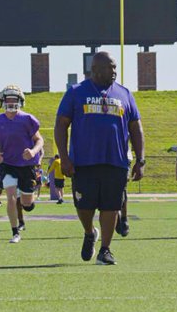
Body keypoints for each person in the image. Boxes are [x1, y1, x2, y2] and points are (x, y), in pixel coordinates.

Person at [55, 51, 144, 265]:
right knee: (84, 206)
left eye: (115, 67)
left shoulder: (124, 93)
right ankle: (89, 232)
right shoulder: (76, 92)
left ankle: (105, 249)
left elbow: (136, 127)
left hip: (116, 161)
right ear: (94, 69)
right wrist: (65, 158)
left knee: (111, 206)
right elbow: (61, 125)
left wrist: (140, 159)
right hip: (84, 161)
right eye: (109, 67)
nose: (114, 71)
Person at [0, 85, 44, 244]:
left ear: (20, 101)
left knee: (27, 203)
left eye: (15, 99)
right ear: (2, 101)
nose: (11, 102)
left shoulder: (28, 119)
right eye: (8, 99)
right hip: (8, 164)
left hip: (27, 165)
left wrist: (33, 152)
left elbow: (39, 140)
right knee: (11, 198)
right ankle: (15, 232)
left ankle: (26, 198)